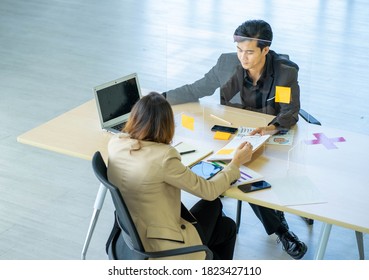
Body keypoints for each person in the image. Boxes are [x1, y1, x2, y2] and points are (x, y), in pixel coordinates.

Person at [163, 19, 307, 260]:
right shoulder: (227, 63)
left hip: (267, 137)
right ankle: (224, 201)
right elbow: (195, 89)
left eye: (250, 52)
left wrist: (269, 128)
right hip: (231, 134)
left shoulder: (285, 72)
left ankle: (281, 230)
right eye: (240, 50)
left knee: (251, 177)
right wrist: (158, 100)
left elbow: (290, 112)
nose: (243, 57)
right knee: (209, 161)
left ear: (265, 50)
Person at [107, 92, 253, 260]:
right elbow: (210, 191)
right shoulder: (164, 156)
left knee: (221, 218)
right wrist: (235, 163)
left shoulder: (115, 143)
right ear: (167, 125)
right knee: (223, 220)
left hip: (134, 236)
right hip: (162, 245)